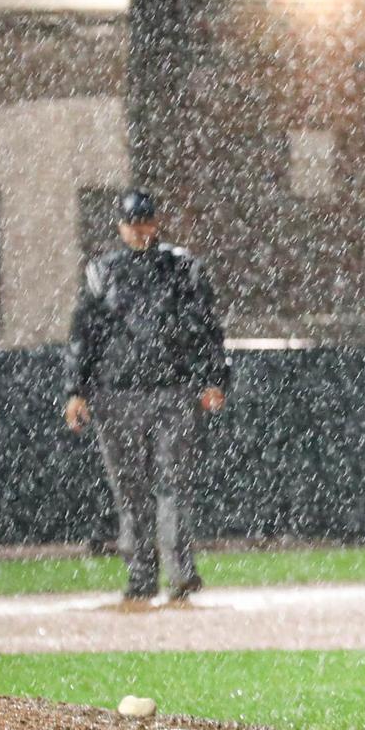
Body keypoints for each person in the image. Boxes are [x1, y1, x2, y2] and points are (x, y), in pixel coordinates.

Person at [63, 190, 229, 607]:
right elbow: (84, 335)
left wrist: (213, 379)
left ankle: (180, 573)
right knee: (131, 489)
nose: (139, 230)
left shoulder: (182, 267)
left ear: (155, 223)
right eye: (132, 223)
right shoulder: (104, 271)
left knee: (173, 483)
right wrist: (76, 390)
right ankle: (141, 576)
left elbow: (207, 327)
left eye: (144, 222)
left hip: (173, 389)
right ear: (121, 227)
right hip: (117, 392)